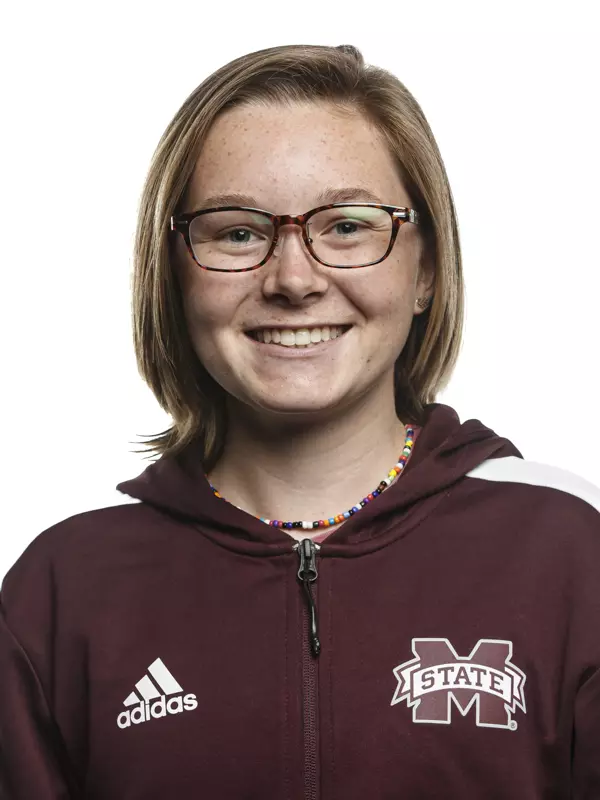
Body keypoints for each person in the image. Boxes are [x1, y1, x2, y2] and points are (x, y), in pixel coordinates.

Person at [1, 42, 599, 800]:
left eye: (348, 226)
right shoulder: (61, 595)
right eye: (238, 231)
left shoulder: (568, 556)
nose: (293, 278)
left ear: (426, 271)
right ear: (173, 274)